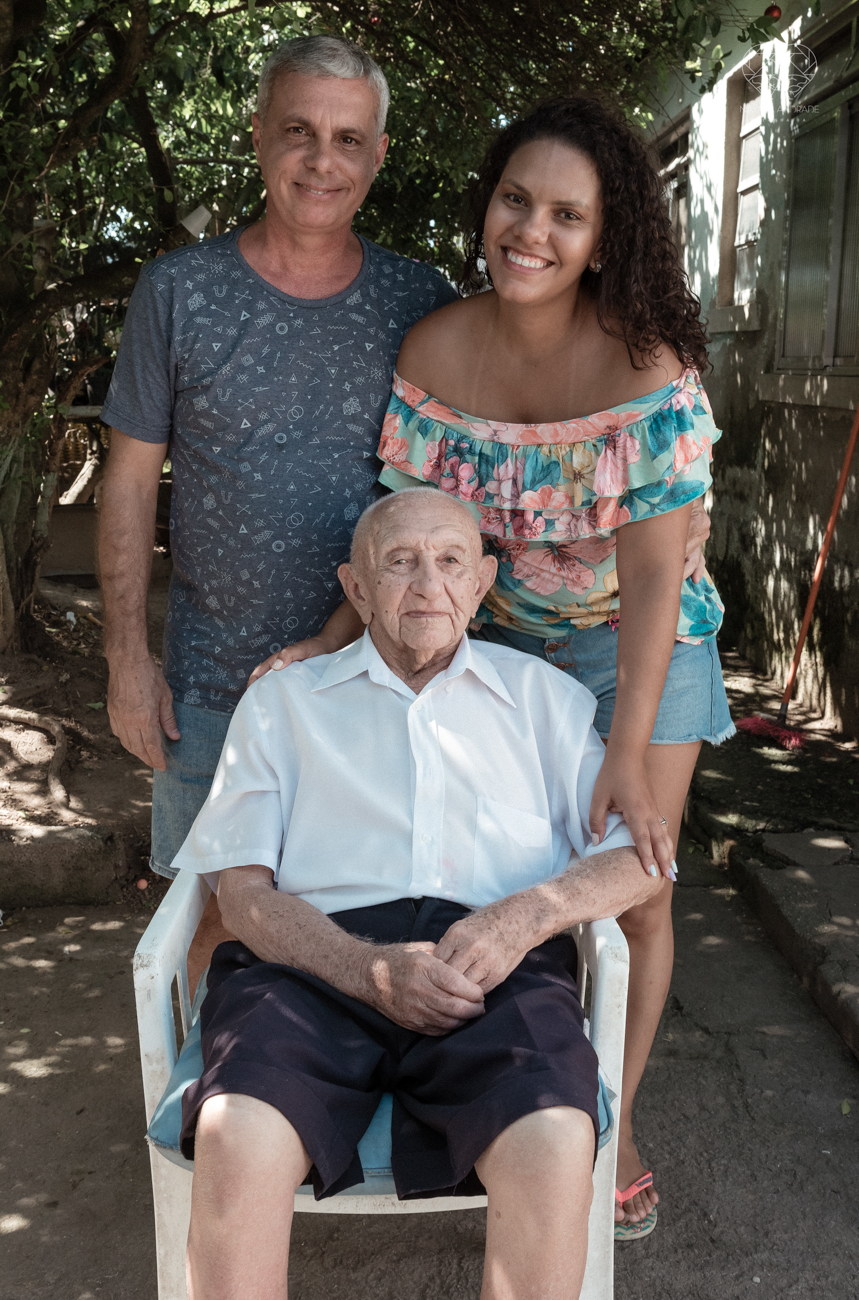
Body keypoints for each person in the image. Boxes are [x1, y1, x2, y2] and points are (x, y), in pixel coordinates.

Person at [369, 99, 736, 1238]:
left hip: (644, 638)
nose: (530, 230)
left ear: (604, 234)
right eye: (515, 200)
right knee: (506, 876)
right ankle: (520, 1101)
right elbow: (409, 525)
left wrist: (625, 747)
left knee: (633, 886)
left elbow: (658, 572)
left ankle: (612, 1122)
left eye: (566, 214)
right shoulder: (435, 347)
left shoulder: (640, 361)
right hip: (505, 643)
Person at [170, 489, 663, 1300]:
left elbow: (641, 860)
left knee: (553, 1135)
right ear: (357, 589)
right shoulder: (284, 704)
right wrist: (364, 971)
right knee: (238, 1134)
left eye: (449, 561)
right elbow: (244, 896)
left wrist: (529, 914)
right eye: (399, 563)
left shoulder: (542, 700)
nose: (427, 584)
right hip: (312, 965)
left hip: (495, 965)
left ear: (481, 583)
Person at [96, 36, 455, 966]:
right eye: (297, 130)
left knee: (368, 917)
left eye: (347, 138)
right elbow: (130, 482)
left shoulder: (420, 302)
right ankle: (207, 1105)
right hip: (213, 686)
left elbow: (460, 477)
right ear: (258, 136)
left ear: (378, 155)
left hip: (382, 680)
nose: (320, 159)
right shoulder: (178, 291)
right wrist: (127, 659)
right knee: (209, 918)